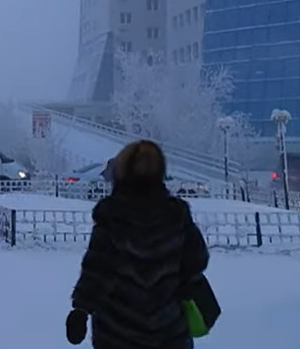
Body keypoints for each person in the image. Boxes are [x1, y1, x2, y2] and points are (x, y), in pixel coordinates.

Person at [65, 139, 210, 349]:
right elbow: (197, 260)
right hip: (169, 332)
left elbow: (96, 273)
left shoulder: (112, 217)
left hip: (117, 334)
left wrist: (81, 310)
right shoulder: (176, 215)